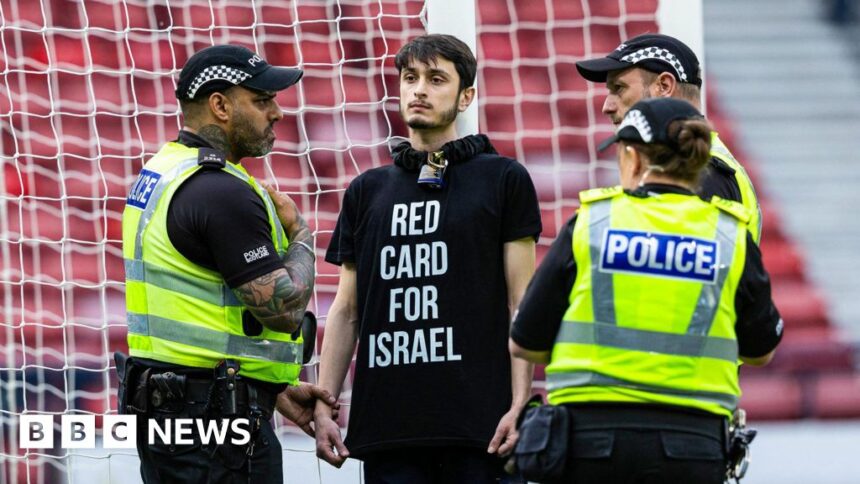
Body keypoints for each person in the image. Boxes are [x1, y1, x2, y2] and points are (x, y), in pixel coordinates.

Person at [509, 98, 783, 483]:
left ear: (634, 159)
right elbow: (760, 350)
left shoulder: (592, 221)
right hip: (693, 445)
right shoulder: (730, 234)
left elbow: (524, 341)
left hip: (590, 442)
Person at [313, 34, 543, 483]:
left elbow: (522, 303)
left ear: (466, 96)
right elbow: (346, 310)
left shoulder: (504, 178)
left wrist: (519, 404)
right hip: (391, 430)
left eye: (437, 79)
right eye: (411, 78)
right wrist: (325, 402)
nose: (419, 89)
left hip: (481, 429)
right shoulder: (367, 189)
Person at [118, 44, 336, 483]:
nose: (276, 112)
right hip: (217, 433)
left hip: (175, 417)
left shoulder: (163, 171)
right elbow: (285, 309)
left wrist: (270, 388)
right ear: (219, 105)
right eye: (261, 100)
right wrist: (301, 236)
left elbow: (196, 319)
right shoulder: (222, 191)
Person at [576, 33, 764, 243]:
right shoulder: (692, 165)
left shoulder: (704, 173)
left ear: (664, 86)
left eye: (619, 88)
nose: (606, 107)